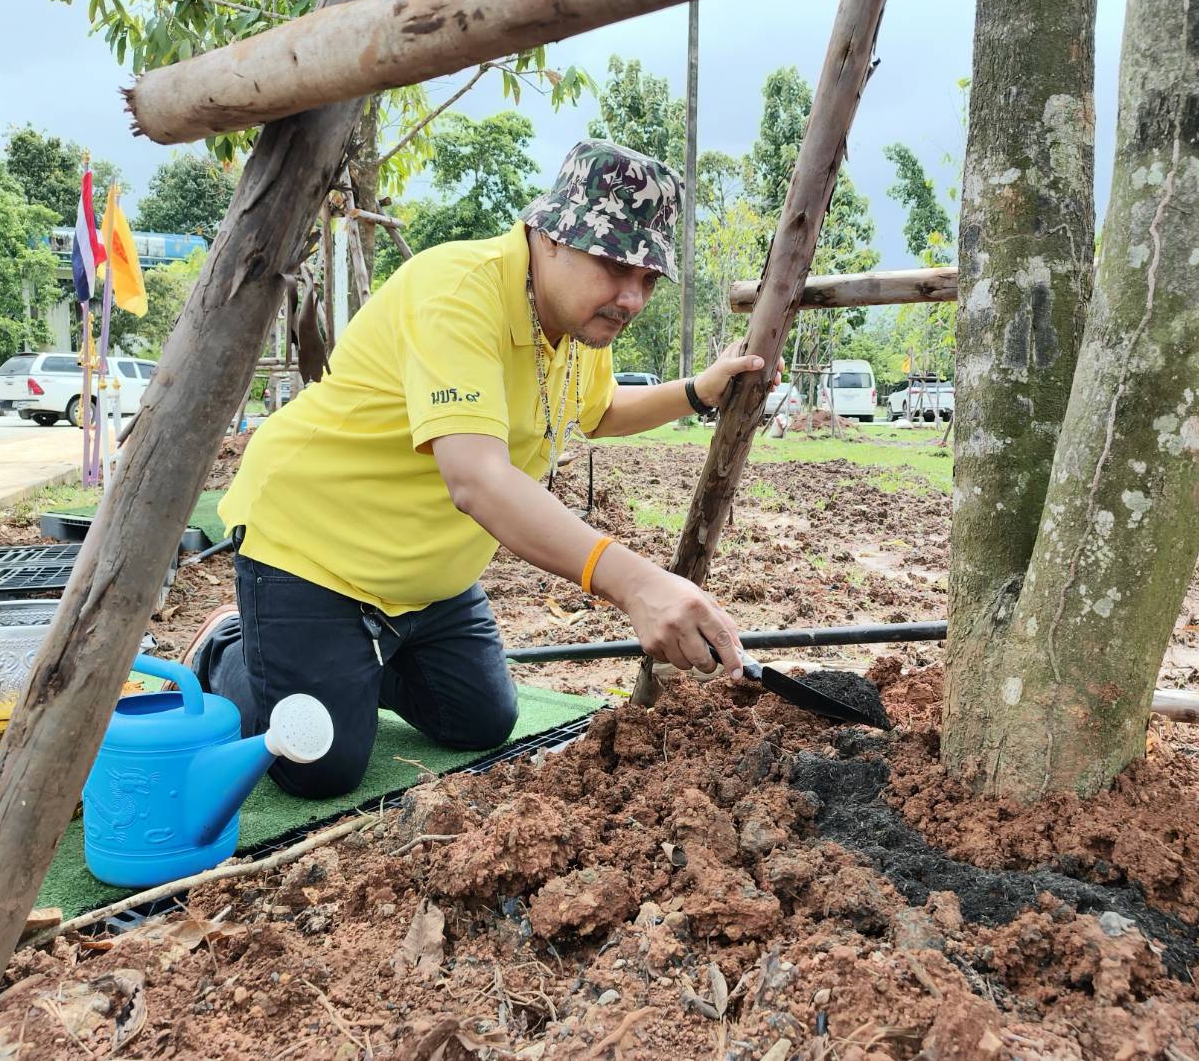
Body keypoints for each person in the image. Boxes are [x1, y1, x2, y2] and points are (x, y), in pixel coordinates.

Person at [185, 139, 769, 799]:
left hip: (425, 581)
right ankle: (229, 648)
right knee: (317, 767)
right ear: (548, 235)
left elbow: (599, 409)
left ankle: (345, 663)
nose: (630, 298)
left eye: (647, 280)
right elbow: (476, 478)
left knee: (480, 720)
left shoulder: (576, 323)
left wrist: (698, 391)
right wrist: (636, 585)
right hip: (314, 549)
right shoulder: (458, 293)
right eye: (613, 265)